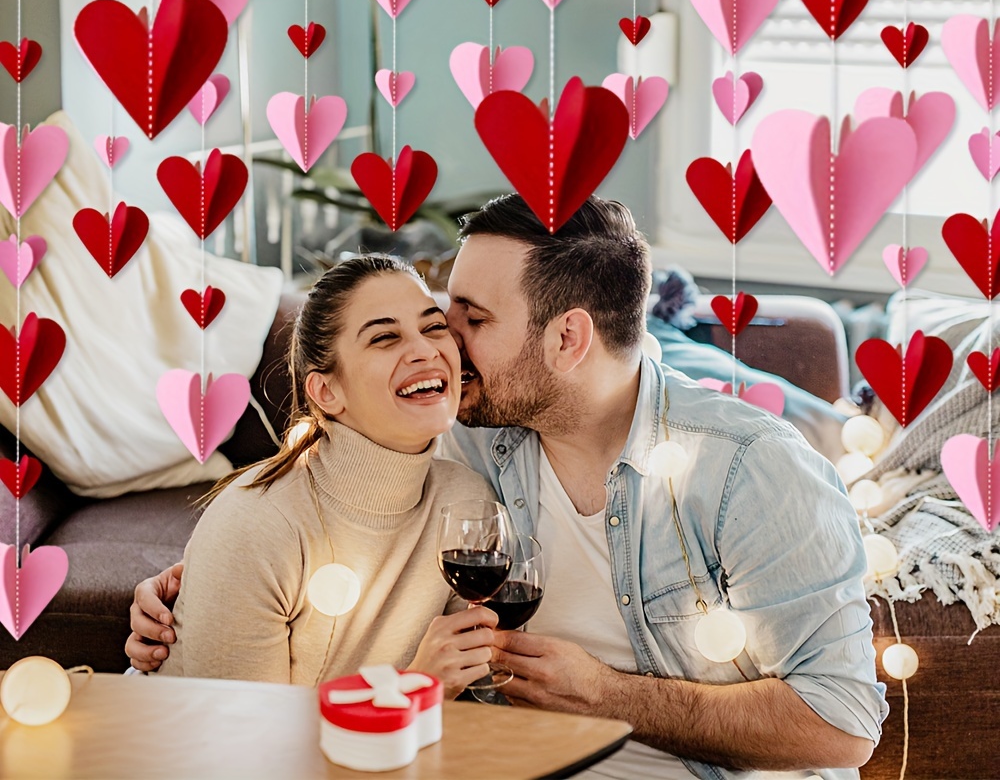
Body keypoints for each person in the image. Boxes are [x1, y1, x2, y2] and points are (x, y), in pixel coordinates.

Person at [128, 196, 887, 779]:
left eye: (470, 319)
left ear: (567, 339)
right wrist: (187, 599)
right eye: (441, 314)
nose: (443, 346)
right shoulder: (471, 430)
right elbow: (332, 491)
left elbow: (842, 721)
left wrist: (609, 696)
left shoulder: (748, 469)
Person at [149, 254, 499, 697]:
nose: (426, 350)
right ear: (326, 391)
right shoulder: (256, 526)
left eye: (433, 327)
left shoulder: (466, 501)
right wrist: (418, 686)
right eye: (385, 338)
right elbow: (243, 746)